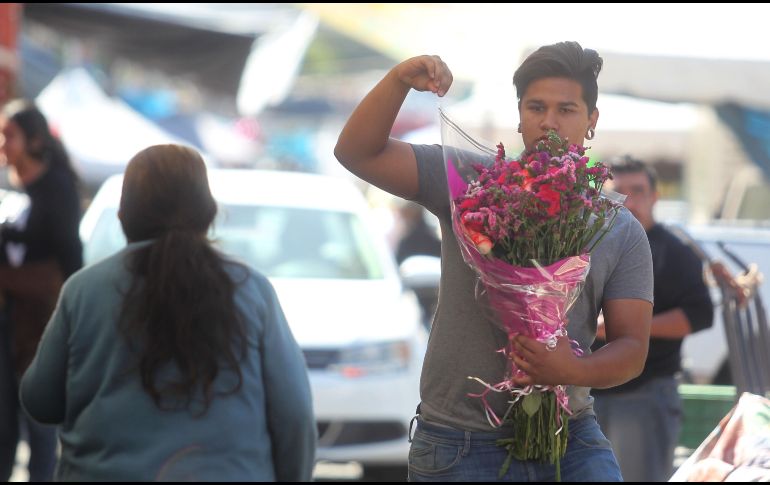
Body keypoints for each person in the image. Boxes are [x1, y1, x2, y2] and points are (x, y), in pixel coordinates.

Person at [335, 41, 653, 482]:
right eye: (536, 107)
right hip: (458, 443)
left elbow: (632, 349)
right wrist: (398, 82)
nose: (549, 122)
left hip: (569, 438)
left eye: (567, 109)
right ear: (520, 116)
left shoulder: (617, 227)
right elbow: (357, 152)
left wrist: (571, 369)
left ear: (591, 121)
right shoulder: (467, 180)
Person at [18, 144, 317, 481]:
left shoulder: (84, 290)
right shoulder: (251, 289)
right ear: (208, 214)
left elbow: (40, 400)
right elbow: (295, 415)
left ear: (123, 217)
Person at [591, 156, 714, 482]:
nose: (630, 200)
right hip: (583, 391)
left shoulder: (675, 251)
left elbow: (698, 315)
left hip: (643, 394)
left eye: (639, 190)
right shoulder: (589, 242)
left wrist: (627, 329)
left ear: (655, 196)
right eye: (621, 191)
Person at [0, 100, 83, 482]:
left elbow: (69, 254)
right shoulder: (5, 182)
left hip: (39, 320)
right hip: (6, 317)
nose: (3, 144)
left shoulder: (57, 187)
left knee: (39, 421)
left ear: (33, 140)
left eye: (9, 135)